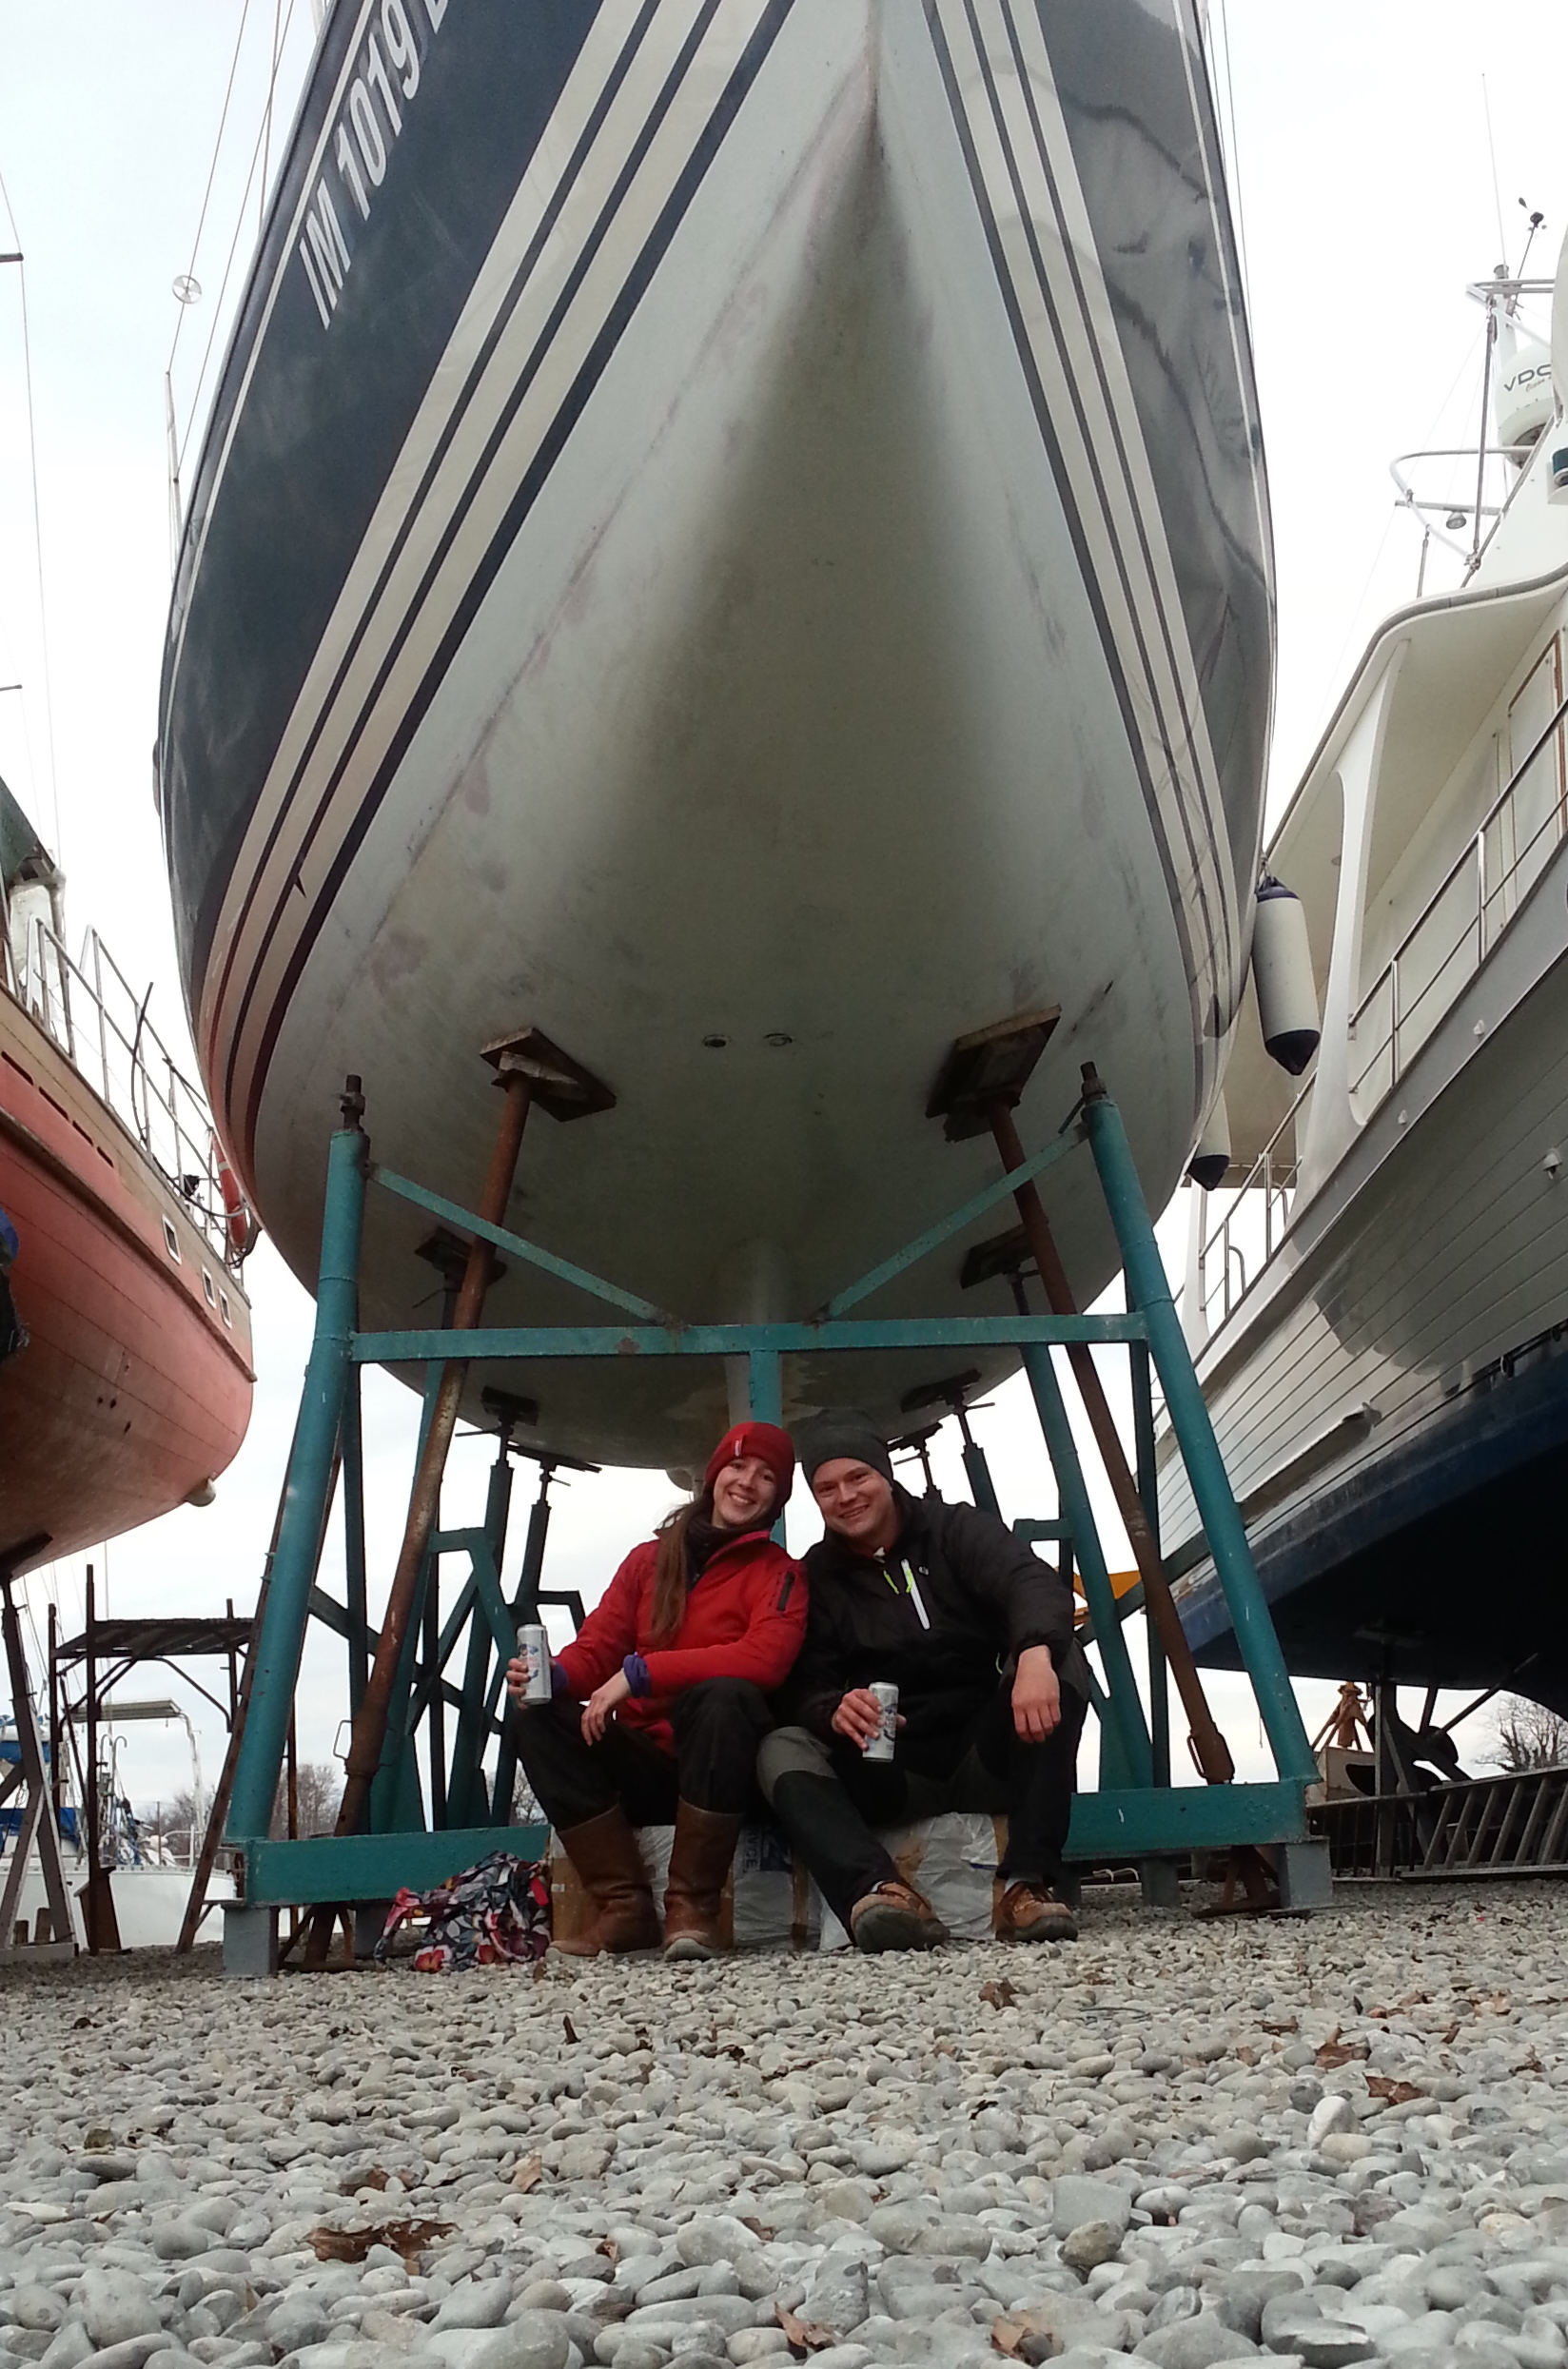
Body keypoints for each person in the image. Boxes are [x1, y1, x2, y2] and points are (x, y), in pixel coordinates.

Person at [758, 1409, 1089, 1951]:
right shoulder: (815, 1575)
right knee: (781, 1747)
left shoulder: (953, 1529)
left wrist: (1033, 1652)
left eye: (858, 1477)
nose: (846, 1497)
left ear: (885, 1476)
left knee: (1061, 1656)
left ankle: (1028, 1885)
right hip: (891, 1767)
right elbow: (798, 1681)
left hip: (983, 1752)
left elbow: (1029, 1580)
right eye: (827, 1488)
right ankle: (879, 1892)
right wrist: (832, 1708)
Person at [506, 1420, 805, 1961]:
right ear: (714, 1475)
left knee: (725, 1695)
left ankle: (692, 1908)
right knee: (536, 1713)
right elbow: (597, 1648)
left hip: (723, 1773)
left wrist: (643, 1673)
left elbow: (764, 1660)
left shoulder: (780, 1573)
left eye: (766, 1476)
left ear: (777, 1497)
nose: (747, 1482)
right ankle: (624, 1908)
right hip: (647, 1764)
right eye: (737, 1466)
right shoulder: (648, 1560)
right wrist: (552, 1675)